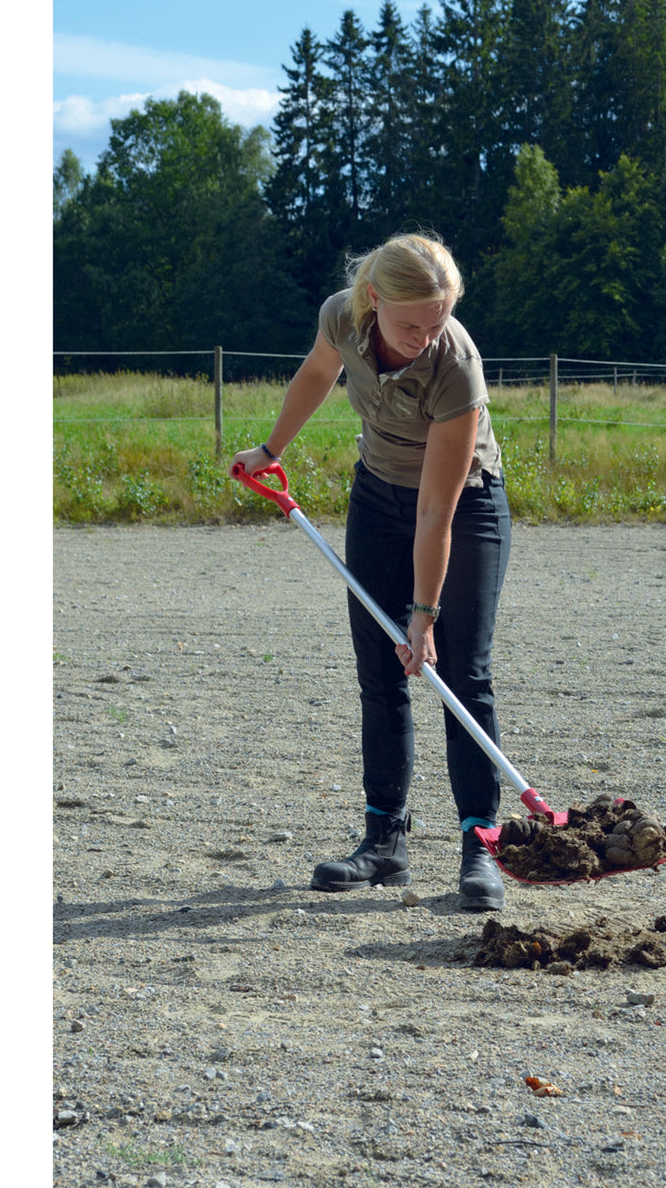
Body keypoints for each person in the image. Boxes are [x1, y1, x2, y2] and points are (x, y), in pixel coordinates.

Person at [230, 233, 512, 911]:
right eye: (410, 323)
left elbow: (436, 514)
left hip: (461, 509)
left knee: (457, 675)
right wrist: (271, 449)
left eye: (437, 321)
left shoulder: (456, 365)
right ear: (373, 299)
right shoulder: (341, 315)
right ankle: (385, 842)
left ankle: (482, 846)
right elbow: (316, 375)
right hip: (379, 496)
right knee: (378, 676)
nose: (424, 336)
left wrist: (425, 616)